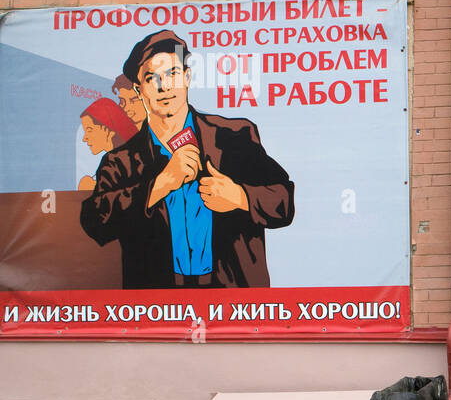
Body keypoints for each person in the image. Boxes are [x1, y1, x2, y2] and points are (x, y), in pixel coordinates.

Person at [80, 30, 295, 288]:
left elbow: (283, 201)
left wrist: (240, 197)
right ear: (139, 90)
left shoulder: (233, 136)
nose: (164, 86)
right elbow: (95, 223)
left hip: (232, 299)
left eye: (172, 74)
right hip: (159, 307)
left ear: (187, 77)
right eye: (152, 78)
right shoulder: (121, 160)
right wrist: (161, 184)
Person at [77, 97, 138, 191]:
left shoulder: (128, 164)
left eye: (89, 130)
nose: (84, 138)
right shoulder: (113, 163)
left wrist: (93, 190)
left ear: (109, 130)